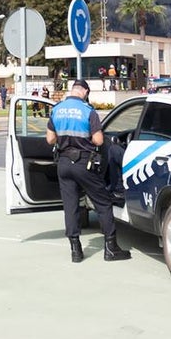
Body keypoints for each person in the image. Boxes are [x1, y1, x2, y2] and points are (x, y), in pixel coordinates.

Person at [46, 78, 131, 263]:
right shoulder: (88, 111)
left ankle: (75, 250)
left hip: (64, 163)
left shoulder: (57, 109)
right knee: (103, 203)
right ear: (84, 92)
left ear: (72, 90)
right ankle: (111, 248)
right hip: (84, 164)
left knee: (71, 206)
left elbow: (50, 139)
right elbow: (99, 140)